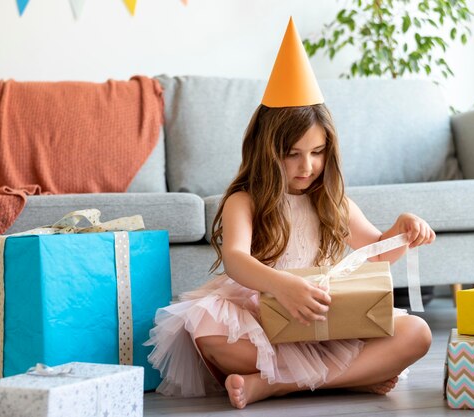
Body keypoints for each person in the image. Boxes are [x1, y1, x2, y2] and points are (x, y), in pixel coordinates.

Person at [145, 17, 434, 409]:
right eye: (292, 154)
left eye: (317, 153)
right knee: (208, 332)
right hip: (266, 316)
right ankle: (352, 379)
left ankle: (278, 385)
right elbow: (235, 259)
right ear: (267, 151)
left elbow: (378, 254)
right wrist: (280, 285)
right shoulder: (244, 201)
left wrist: (401, 229)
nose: (307, 166)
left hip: (325, 319)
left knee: (417, 333)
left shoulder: (333, 202)